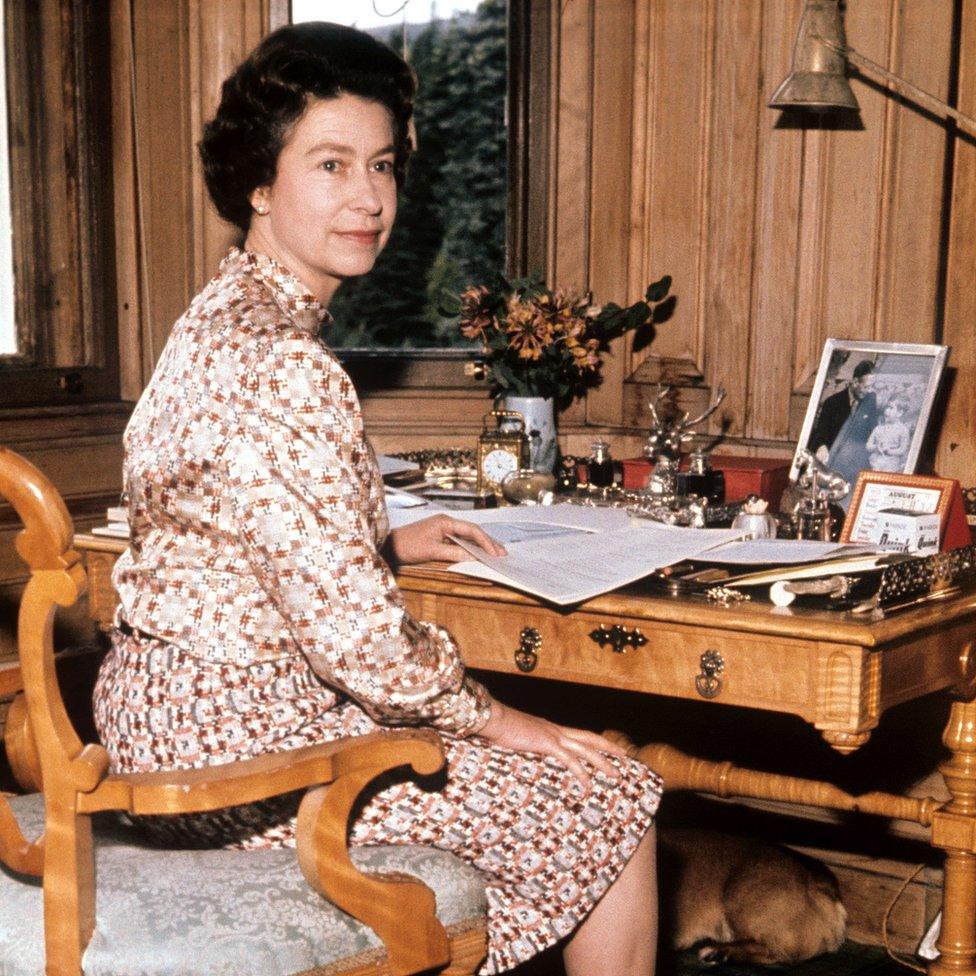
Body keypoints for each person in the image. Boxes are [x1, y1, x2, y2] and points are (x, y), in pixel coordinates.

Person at [92, 22, 662, 976]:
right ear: (259, 185)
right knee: (614, 792)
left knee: (566, 770)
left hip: (154, 715)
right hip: (243, 749)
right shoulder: (289, 364)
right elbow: (366, 651)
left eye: (384, 166)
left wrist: (388, 546)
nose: (368, 198)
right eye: (331, 164)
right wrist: (507, 722)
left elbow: (237, 529)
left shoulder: (218, 315)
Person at [809, 359, 878, 465]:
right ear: (855, 382)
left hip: (859, 461)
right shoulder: (832, 403)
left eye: (872, 387)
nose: (870, 391)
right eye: (866, 387)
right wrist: (821, 447)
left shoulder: (872, 400)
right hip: (834, 461)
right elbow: (821, 434)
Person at [866, 395, 912, 472]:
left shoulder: (903, 430)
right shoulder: (878, 428)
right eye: (886, 407)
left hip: (891, 465)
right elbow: (868, 446)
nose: (886, 411)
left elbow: (903, 450)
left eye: (891, 408)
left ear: (899, 413)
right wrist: (876, 447)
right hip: (875, 462)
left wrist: (889, 451)